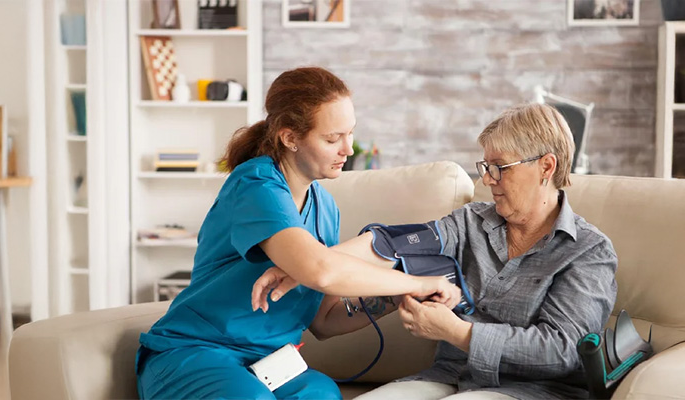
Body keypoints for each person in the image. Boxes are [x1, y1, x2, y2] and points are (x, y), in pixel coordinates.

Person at [136, 66, 461, 400]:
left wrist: (397, 298)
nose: (348, 149)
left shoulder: (325, 207)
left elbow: (324, 321)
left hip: (267, 365)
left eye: (350, 134)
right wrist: (415, 281)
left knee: (322, 394)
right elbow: (321, 271)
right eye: (332, 138)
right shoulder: (256, 186)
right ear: (290, 138)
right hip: (197, 353)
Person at [256, 103, 619, 399]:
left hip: (533, 391)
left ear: (546, 166)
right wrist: (309, 265)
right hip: (448, 377)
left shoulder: (588, 252)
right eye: (485, 167)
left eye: (499, 168)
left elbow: (562, 350)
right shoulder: (471, 222)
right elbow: (390, 244)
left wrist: (458, 332)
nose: (487, 180)